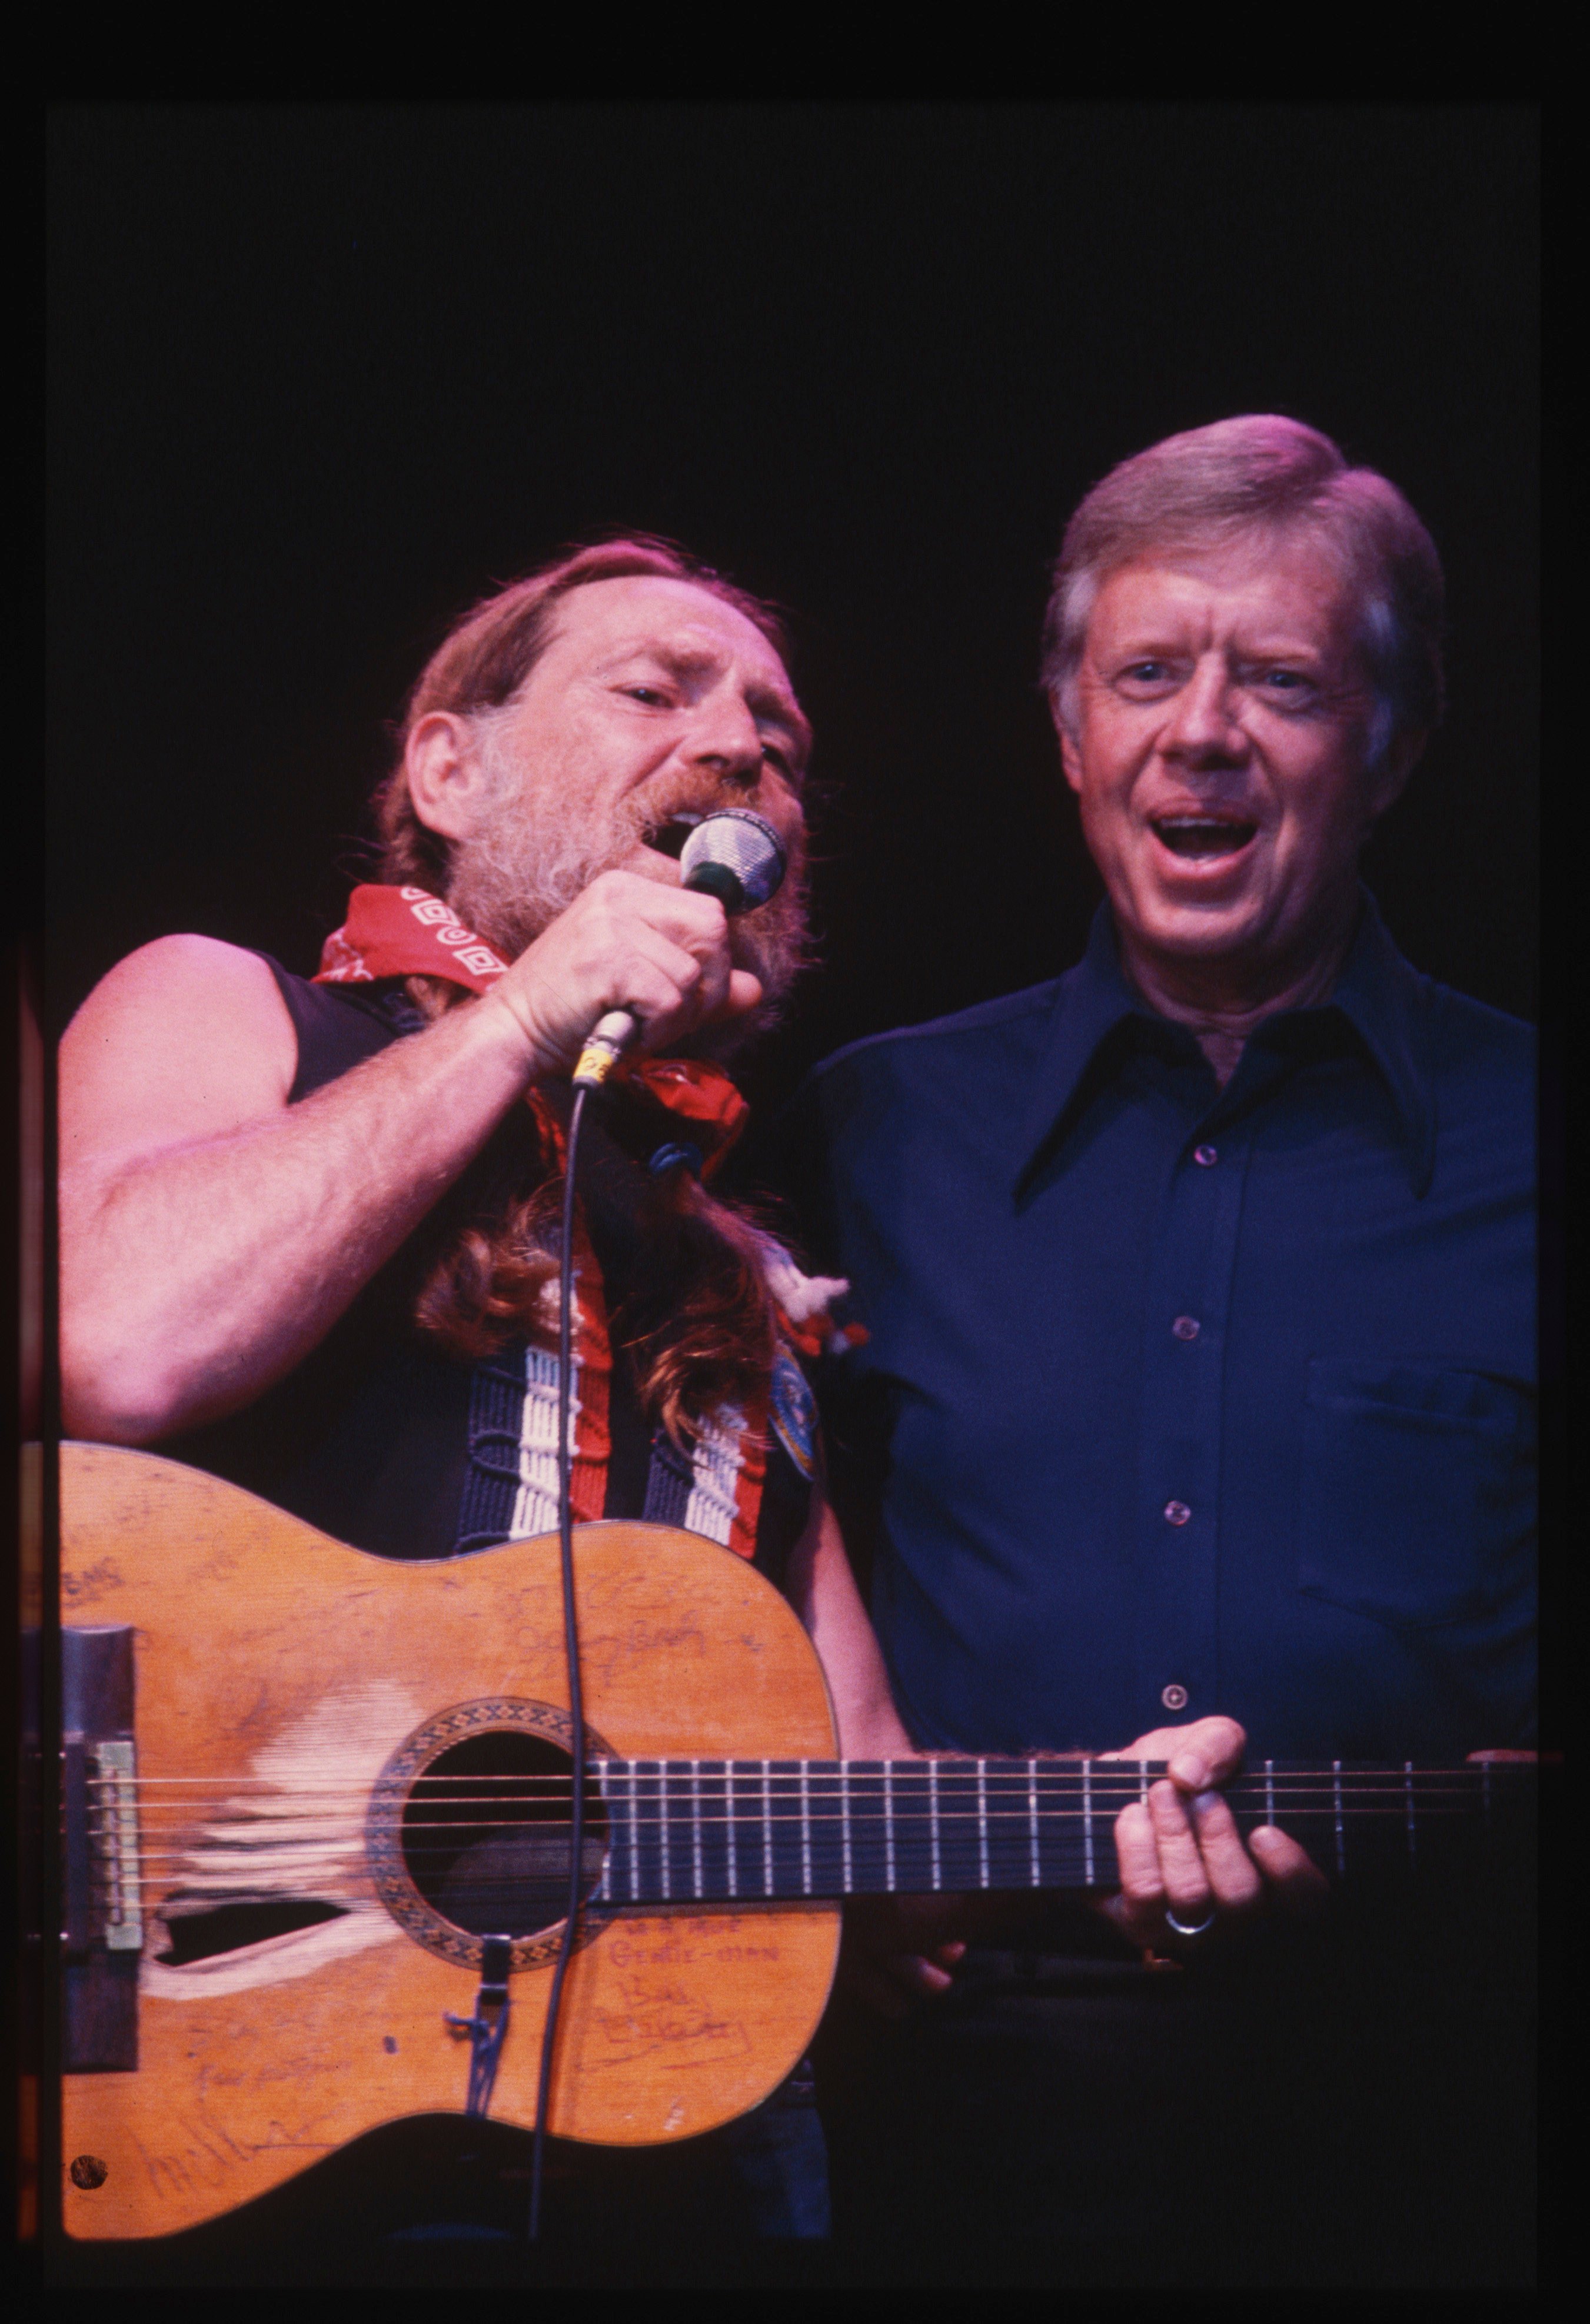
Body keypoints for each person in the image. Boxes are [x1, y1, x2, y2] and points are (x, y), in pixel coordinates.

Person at [58, 536, 916, 2276]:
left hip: (666, 2177)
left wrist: (1134, 1822)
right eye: (657, 692)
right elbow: (116, 1345)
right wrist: (530, 1011)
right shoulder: (239, 1013)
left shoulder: (742, 1276)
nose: (748, 745)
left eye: (780, 732)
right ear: (447, 770)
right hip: (236, 2124)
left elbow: (871, 1792)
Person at [779, 418, 1536, 2287]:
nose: (1202, 731)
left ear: (1393, 747)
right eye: (1146, 674)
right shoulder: (871, 1133)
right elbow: (740, 1534)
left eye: (1279, 679)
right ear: (1072, 740)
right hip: (952, 2130)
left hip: (1447, 2111)